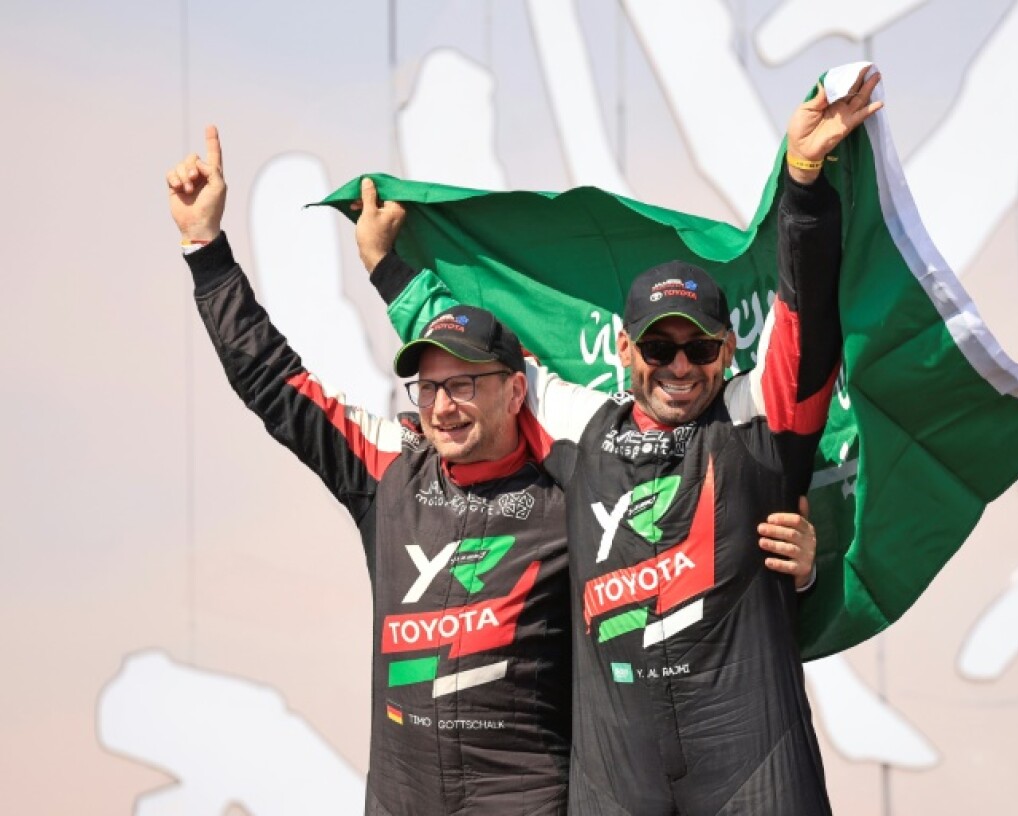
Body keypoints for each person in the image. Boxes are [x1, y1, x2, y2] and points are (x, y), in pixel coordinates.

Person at [167, 127, 819, 815]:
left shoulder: (570, 488)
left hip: (529, 800)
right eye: (429, 388)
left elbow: (695, 538)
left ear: (518, 390)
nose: (444, 406)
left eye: (465, 386)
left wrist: (803, 567)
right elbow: (274, 384)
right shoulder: (390, 472)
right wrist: (207, 252)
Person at [361, 68, 883, 814]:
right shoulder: (583, 430)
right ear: (626, 350)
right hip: (617, 784)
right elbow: (480, 356)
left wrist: (802, 181)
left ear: (728, 351)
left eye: (698, 349)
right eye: (658, 347)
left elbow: (807, 317)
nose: (678, 367)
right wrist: (389, 270)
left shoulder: (753, 425)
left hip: (753, 770)